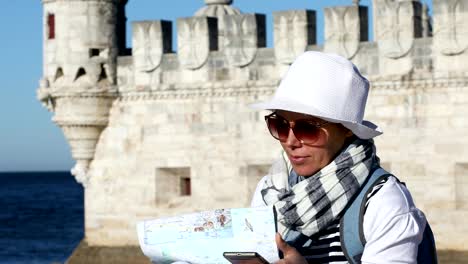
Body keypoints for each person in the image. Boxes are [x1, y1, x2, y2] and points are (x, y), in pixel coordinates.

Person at [250, 51, 427, 263]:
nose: (290, 141)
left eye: (308, 128)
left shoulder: (384, 201)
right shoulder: (269, 190)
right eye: (279, 125)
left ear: (347, 130)